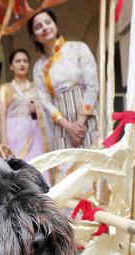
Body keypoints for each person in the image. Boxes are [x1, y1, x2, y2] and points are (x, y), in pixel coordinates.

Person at [28, 8, 99, 150]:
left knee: (93, 164)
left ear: (55, 24)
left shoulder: (79, 48)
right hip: (61, 125)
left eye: (48, 22)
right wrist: (68, 126)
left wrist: (80, 122)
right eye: (38, 27)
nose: (44, 28)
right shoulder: (39, 67)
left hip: (87, 118)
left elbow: (92, 85)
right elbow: (45, 101)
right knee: (67, 169)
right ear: (35, 37)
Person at [0, 49, 49, 162]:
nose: (22, 64)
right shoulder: (5, 88)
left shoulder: (36, 88)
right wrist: (4, 142)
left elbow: (43, 115)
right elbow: (2, 118)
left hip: (34, 133)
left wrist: (35, 111)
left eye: (25, 61)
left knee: (36, 164)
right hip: (12, 133)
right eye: (18, 61)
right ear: (11, 66)